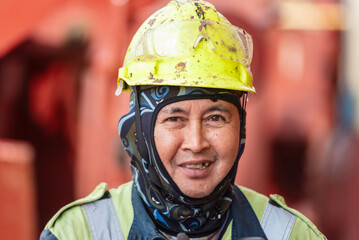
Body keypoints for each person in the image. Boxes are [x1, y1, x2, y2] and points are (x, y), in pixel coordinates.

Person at [40, 0, 327, 239]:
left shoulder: (289, 234)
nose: (196, 142)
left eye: (215, 118)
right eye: (174, 118)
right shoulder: (77, 233)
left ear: (241, 127)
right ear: (138, 131)